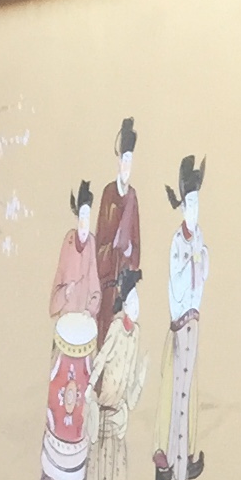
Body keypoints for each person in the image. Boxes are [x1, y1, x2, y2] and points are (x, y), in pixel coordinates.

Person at [79, 269, 146, 480]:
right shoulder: (118, 328)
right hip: (102, 417)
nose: (137, 304)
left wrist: (140, 381)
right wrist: (88, 391)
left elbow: (130, 381)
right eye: (133, 298)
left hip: (118, 418)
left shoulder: (136, 334)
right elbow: (102, 358)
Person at [153, 156, 208, 480]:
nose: (195, 209)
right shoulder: (179, 241)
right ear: (183, 206)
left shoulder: (199, 237)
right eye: (190, 203)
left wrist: (201, 261)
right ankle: (170, 459)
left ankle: (185, 457)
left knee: (190, 388)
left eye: (198, 203)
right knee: (175, 390)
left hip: (194, 321)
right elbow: (178, 279)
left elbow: (204, 270)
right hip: (180, 322)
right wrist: (193, 263)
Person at [92, 119, 142, 341]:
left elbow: (137, 247)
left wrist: (129, 249)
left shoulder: (133, 198)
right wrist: (112, 245)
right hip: (106, 282)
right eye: (124, 160)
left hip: (124, 284)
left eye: (130, 161)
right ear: (119, 161)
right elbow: (99, 242)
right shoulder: (108, 194)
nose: (127, 166)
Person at [50, 181, 97, 325]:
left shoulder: (91, 242)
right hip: (66, 317)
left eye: (87, 217)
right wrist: (65, 292)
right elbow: (56, 290)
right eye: (82, 216)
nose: (84, 222)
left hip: (83, 318)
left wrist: (90, 310)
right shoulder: (69, 241)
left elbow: (95, 288)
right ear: (77, 218)